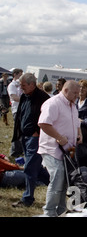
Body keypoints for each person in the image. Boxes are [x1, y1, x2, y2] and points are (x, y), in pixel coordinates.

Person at [37, 80, 83, 217]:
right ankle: (49, 211)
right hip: (52, 149)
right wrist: (59, 137)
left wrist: (79, 134)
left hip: (67, 151)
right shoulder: (53, 103)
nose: (77, 96)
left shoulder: (72, 106)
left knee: (64, 182)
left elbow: (76, 122)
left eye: (78, 94)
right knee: (57, 179)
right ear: (66, 90)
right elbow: (43, 123)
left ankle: (61, 210)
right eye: (75, 93)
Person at [11, 73, 50, 208]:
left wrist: (37, 133)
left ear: (32, 84)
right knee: (36, 168)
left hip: (35, 138)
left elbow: (47, 118)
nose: (21, 88)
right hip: (25, 136)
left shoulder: (43, 98)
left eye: (23, 85)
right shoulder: (24, 96)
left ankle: (27, 198)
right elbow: (21, 115)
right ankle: (57, 185)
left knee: (29, 167)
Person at [7, 68, 23, 157]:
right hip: (16, 109)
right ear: (15, 74)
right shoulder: (12, 85)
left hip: (22, 109)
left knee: (21, 131)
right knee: (17, 131)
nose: (21, 76)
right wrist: (26, 100)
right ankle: (14, 151)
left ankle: (19, 150)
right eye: (20, 74)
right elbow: (14, 97)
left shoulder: (20, 85)